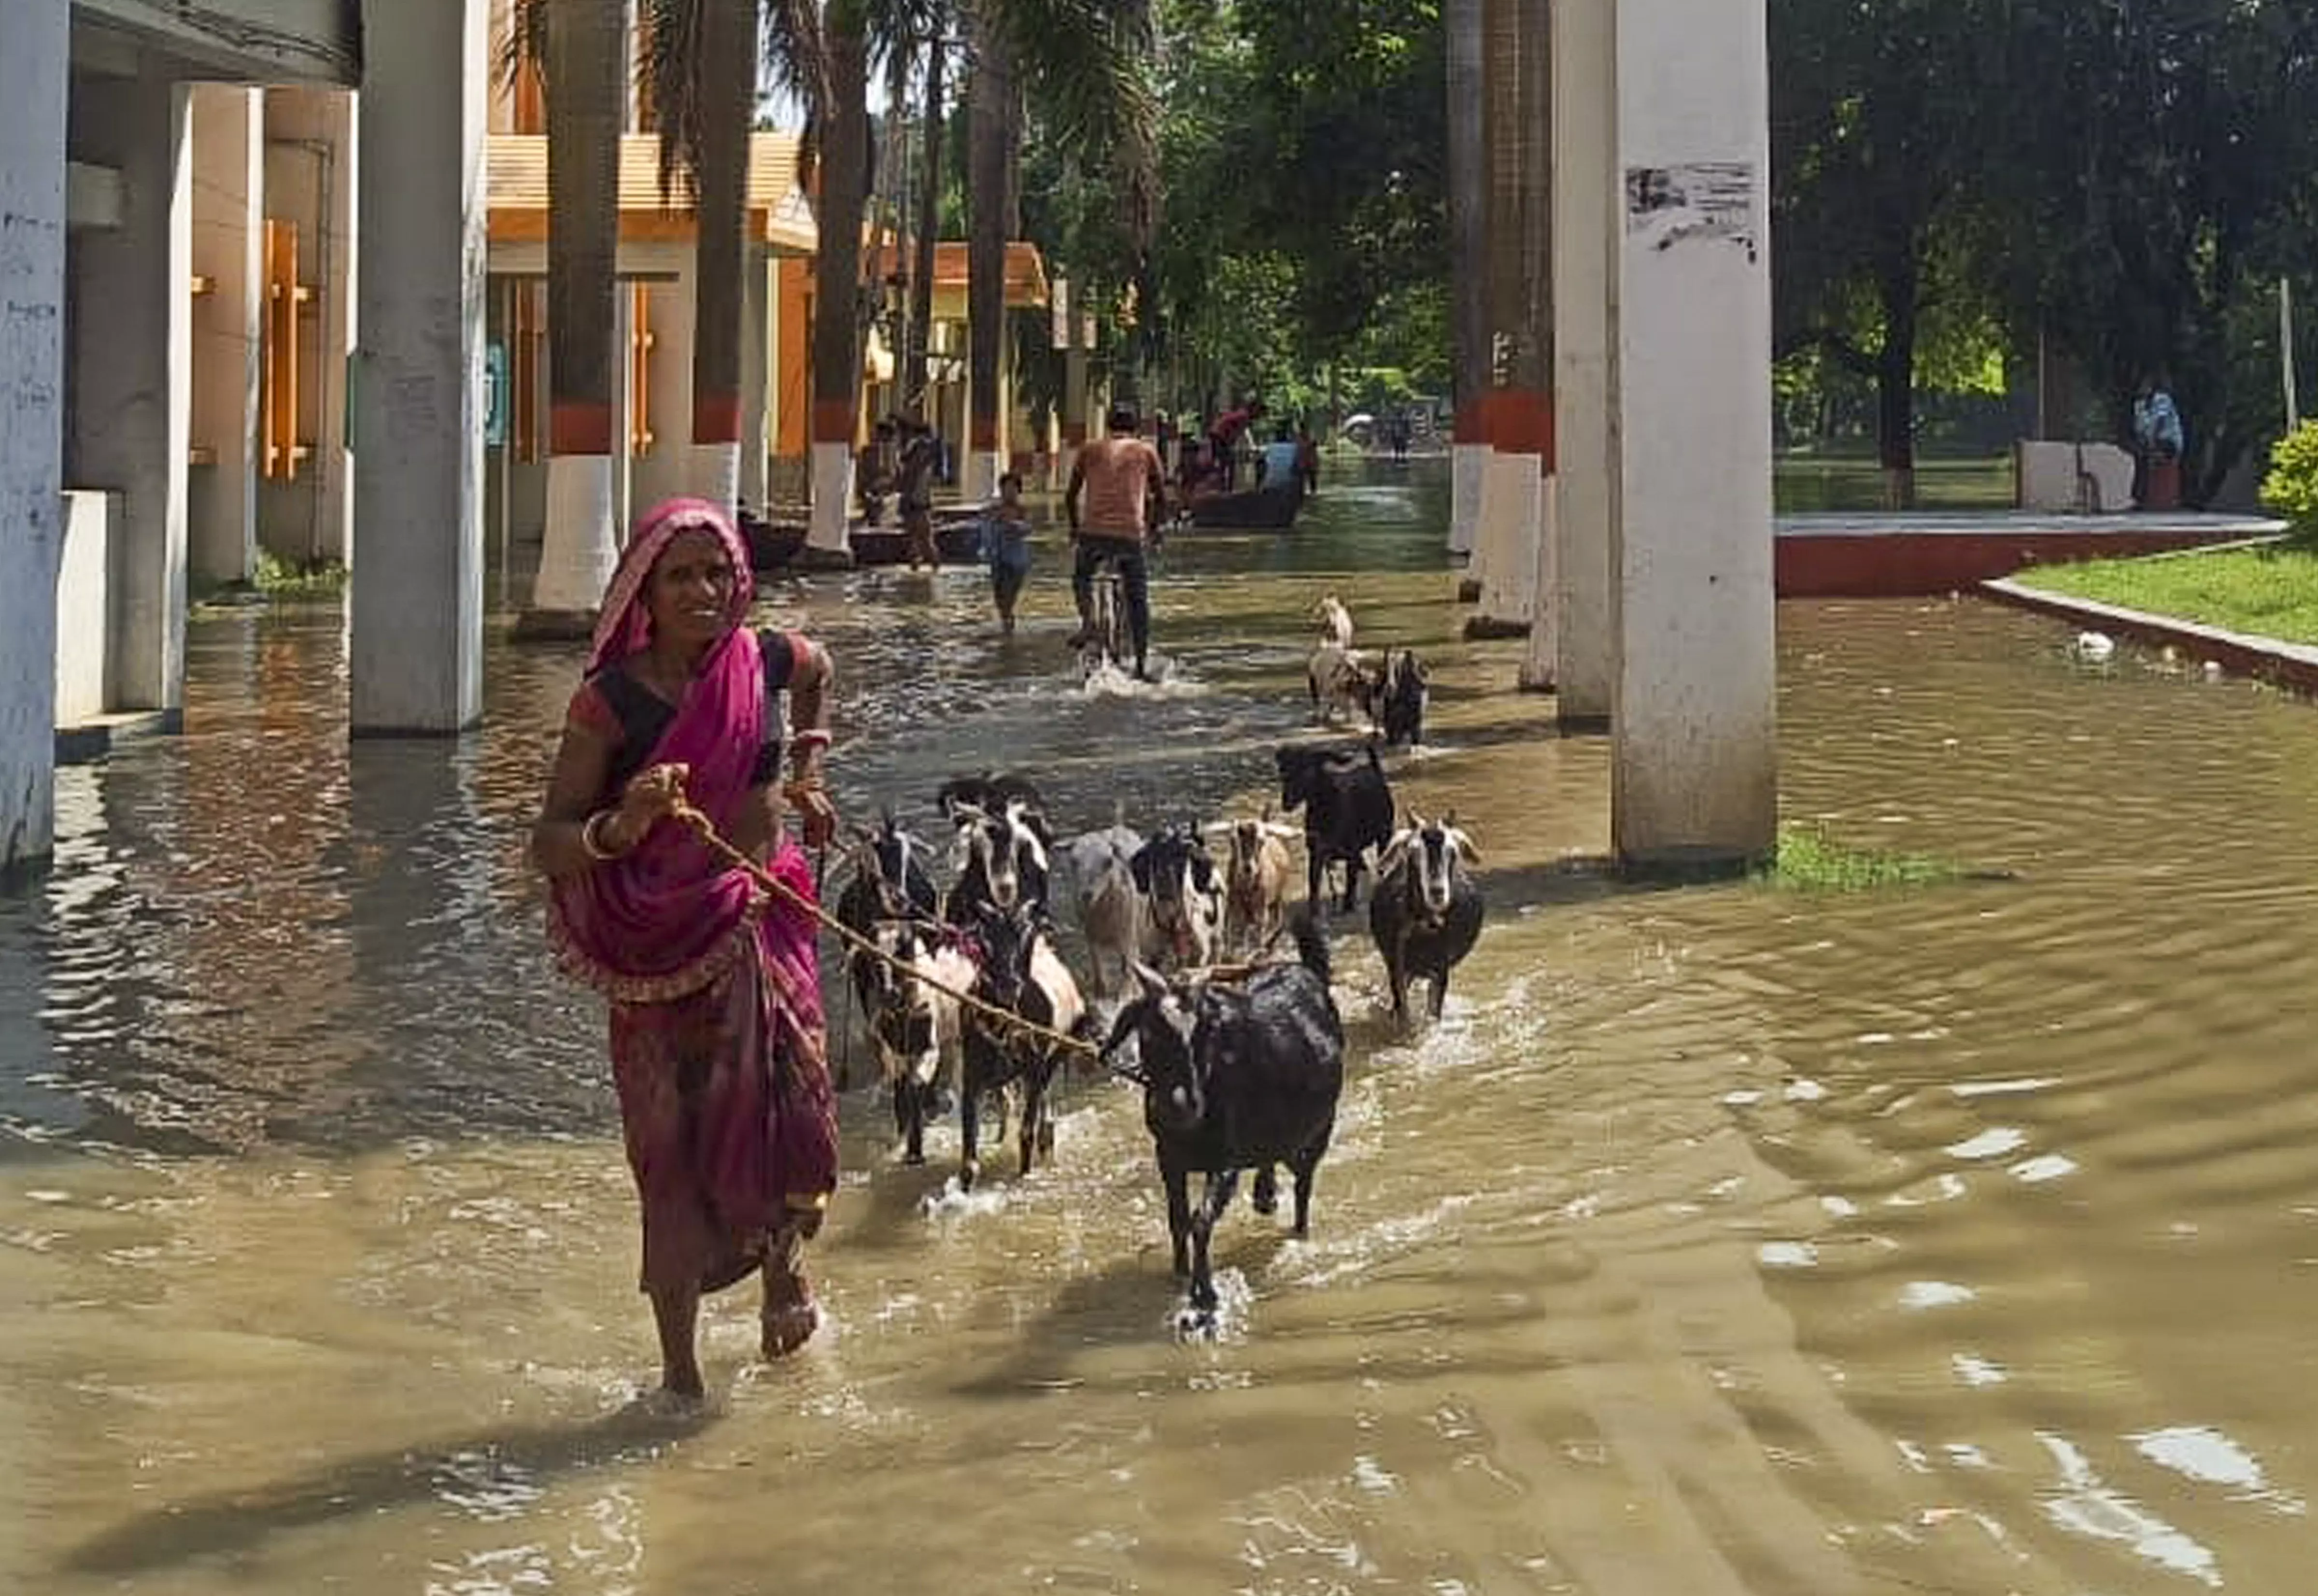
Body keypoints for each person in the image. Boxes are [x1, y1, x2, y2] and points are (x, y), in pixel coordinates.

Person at [531, 497, 842, 1403]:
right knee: (670, 1154)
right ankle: (679, 1380)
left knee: (797, 1111)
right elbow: (546, 840)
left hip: (766, 913)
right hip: (660, 950)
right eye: (681, 577)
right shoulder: (612, 702)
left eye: (718, 573)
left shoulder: (766, 660)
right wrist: (621, 825)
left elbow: (823, 670)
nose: (704, 591)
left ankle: (786, 1266)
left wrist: (810, 773)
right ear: (647, 595)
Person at [1065, 400, 1168, 678]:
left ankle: (1088, 622)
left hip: (1092, 534)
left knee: (1081, 576)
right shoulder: (1146, 451)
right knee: (1138, 600)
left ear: (1108, 425)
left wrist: (1075, 529)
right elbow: (1161, 496)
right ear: (1135, 428)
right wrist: (1156, 530)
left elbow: (1071, 495)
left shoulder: (1089, 449)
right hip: (1129, 536)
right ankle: (1142, 665)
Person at [979, 470, 1034, 635]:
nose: (1009, 492)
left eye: (1013, 488)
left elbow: (1027, 529)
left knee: (1009, 598)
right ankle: (1007, 626)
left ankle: (1008, 629)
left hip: (1017, 562)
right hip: (998, 560)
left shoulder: (1022, 511)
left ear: (1019, 490)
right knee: (999, 598)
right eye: (1005, 488)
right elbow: (985, 529)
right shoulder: (993, 510)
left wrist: (1013, 525)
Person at [2133, 375, 2185, 510]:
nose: (2143, 389)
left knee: (2149, 454)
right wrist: (2143, 441)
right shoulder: (2139, 405)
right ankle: (2141, 496)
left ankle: (2149, 496)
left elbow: (2159, 422)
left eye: (2146, 386)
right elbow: (2140, 429)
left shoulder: (2162, 399)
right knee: (2140, 456)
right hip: (2152, 441)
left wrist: (2152, 442)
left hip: (2168, 441)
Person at [896, 418, 941, 568]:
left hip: (917, 500)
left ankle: (929, 565)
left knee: (922, 538)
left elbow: (910, 475)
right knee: (919, 539)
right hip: (918, 500)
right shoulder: (925, 451)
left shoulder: (919, 449)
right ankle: (924, 566)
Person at [1207, 398, 1266, 489]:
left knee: (1226, 460)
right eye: (1259, 413)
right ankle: (1225, 487)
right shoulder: (1244, 416)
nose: (1259, 416)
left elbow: (1239, 431)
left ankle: (1224, 485)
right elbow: (1240, 431)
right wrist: (1251, 446)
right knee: (1228, 460)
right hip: (1219, 435)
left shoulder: (1242, 413)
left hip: (1217, 433)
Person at [858, 419, 897, 526]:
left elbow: (890, 469)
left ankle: (875, 515)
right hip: (877, 483)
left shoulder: (890, 450)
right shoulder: (869, 450)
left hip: (882, 484)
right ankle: (874, 515)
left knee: (876, 497)